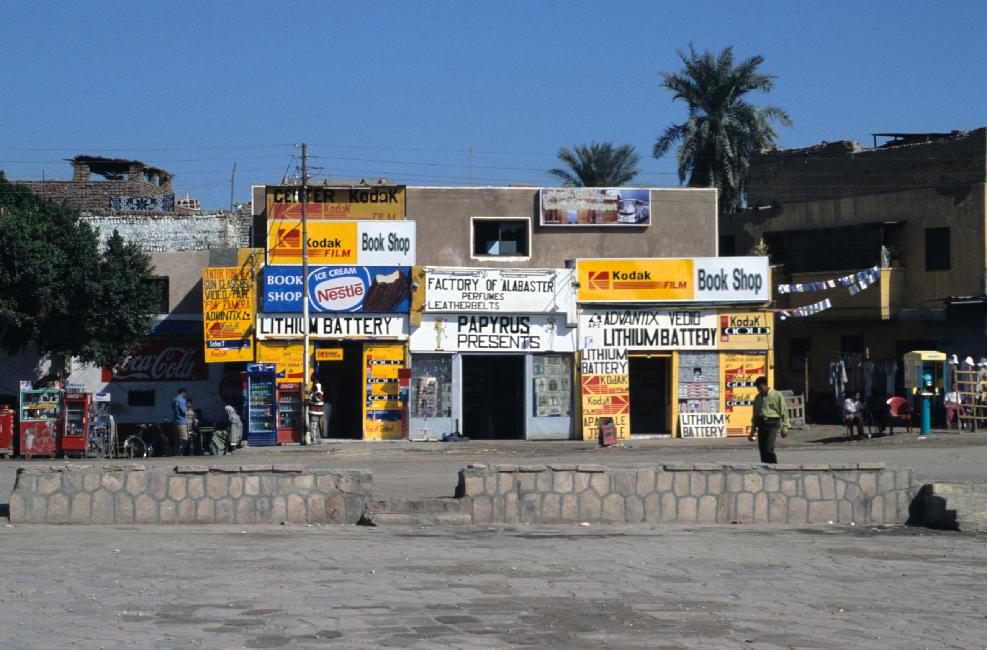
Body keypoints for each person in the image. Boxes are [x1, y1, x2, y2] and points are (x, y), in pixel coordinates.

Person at [751, 376, 789, 464]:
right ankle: (764, 467)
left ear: (766, 385)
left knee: (768, 448)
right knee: (762, 449)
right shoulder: (758, 398)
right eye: (758, 389)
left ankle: (774, 466)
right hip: (761, 424)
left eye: (761, 388)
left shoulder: (777, 395)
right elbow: (755, 415)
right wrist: (753, 430)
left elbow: (784, 412)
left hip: (772, 424)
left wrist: (785, 428)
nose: (760, 390)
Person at [306, 374, 324, 445]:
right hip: (316, 410)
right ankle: (318, 440)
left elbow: (318, 398)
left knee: (313, 425)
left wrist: (310, 397)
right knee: (316, 426)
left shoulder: (317, 385)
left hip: (316, 410)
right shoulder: (316, 385)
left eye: (312, 377)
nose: (310, 378)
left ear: (315, 378)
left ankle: (314, 440)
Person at [172, 388, 190, 456]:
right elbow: (184, 411)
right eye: (185, 394)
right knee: (185, 438)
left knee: (177, 440)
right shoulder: (182, 400)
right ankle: (179, 454)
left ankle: (175, 454)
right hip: (181, 422)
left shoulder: (173, 400)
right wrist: (187, 411)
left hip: (175, 421)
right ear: (183, 393)